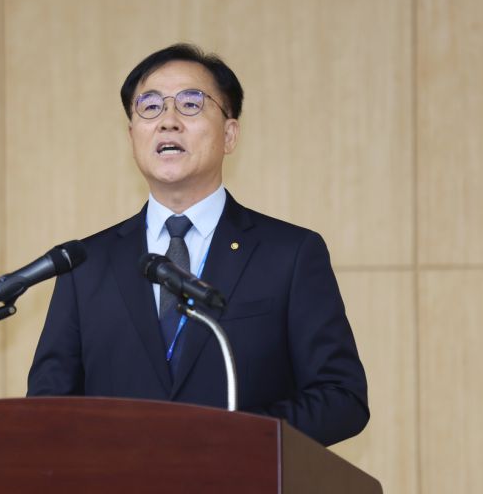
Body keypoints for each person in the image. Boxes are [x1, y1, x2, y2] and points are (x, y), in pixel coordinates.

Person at [27, 44, 369, 446]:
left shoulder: (289, 254)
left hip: (242, 473)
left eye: (190, 104)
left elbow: (341, 398)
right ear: (132, 135)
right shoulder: (85, 264)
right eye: (150, 107)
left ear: (229, 134)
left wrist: (231, 437)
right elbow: (46, 411)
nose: (168, 122)